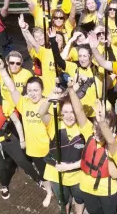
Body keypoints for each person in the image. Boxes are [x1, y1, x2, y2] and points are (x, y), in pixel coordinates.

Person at [0, 64, 53, 207]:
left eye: (36, 90)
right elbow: (12, 88)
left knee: (56, 174)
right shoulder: (24, 103)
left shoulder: (48, 103)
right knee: (43, 174)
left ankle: (59, 193)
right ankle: (49, 192)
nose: (33, 93)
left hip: (49, 148)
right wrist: (3, 70)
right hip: (34, 149)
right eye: (30, 90)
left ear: (42, 90)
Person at [38, 81, 93, 214]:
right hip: (56, 175)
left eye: (72, 112)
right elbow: (41, 113)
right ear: (61, 113)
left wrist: (68, 167)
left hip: (77, 175)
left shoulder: (85, 127)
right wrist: (51, 96)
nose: (69, 115)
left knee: (79, 199)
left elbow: (89, 156)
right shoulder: (54, 124)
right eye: (65, 112)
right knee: (63, 202)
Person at [49, 28, 105, 118]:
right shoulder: (74, 67)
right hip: (78, 112)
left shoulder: (98, 69)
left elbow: (108, 64)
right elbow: (59, 60)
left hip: (95, 113)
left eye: (85, 56)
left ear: (90, 57)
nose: (82, 59)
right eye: (80, 56)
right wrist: (53, 40)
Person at [79, 100, 117, 214]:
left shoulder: (115, 144)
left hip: (107, 191)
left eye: (101, 128)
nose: (97, 131)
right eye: (96, 127)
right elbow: (79, 111)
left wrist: (102, 123)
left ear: (111, 129)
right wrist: (71, 90)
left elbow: (114, 174)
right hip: (86, 188)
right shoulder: (89, 135)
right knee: (93, 211)